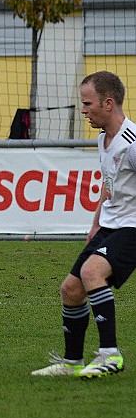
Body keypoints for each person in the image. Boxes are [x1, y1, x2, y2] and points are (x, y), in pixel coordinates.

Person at [32, 71, 134, 378]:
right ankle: (72, 361)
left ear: (108, 103)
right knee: (71, 289)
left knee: (92, 273)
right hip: (109, 225)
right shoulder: (105, 140)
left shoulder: (131, 143)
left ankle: (110, 356)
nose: (84, 110)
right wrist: (95, 224)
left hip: (132, 228)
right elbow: (109, 186)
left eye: (88, 104)